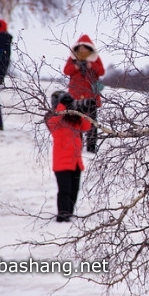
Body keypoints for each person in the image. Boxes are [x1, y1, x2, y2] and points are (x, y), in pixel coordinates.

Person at [46, 91, 92, 222]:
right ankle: (62, 215)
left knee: (74, 190)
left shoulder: (74, 119)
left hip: (76, 162)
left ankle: (69, 214)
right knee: (64, 190)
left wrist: (81, 111)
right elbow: (55, 119)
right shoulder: (53, 118)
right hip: (62, 162)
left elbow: (87, 126)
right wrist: (62, 105)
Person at [63, 35, 105, 153]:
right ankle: (77, 146)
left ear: (90, 49)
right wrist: (76, 66)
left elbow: (101, 71)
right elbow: (66, 71)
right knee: (77, 123)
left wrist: (91, 66)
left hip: (91, 97)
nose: (82, 50)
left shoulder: (94, 59)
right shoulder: (72, 59)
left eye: (85, 48)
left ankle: (91, 148)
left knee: (92, 123)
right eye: (80, 48)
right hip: (75, 97)